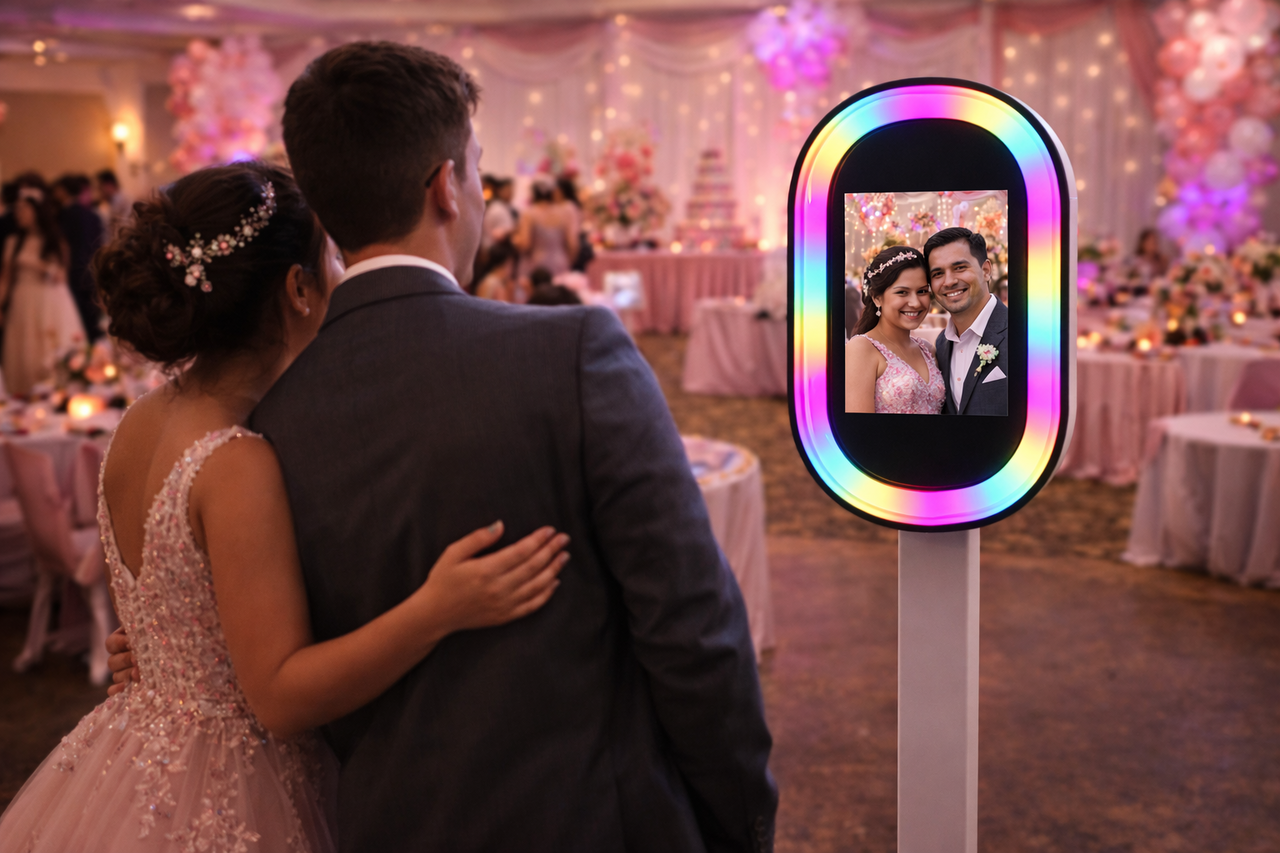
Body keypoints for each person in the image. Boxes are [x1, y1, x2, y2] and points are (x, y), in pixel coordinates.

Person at [113, 41, 776, 852]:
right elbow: (689, 622)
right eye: (479, 172)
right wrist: (738, 812)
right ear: (445, 187)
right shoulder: (575, 348)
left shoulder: (262, 423)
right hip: (595, 821)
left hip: (384, 824)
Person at [0, 161, 569, 852]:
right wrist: (439, 606)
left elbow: (172, 613)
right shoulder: (236, 461)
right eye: (330, 258)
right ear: (298, 288)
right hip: (232, 787)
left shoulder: (138, 421)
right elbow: (280, 696)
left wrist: (145, 655)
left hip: (135, 751)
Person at [0, 186, 86, 397]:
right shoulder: (13, 242)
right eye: (17, 209)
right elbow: (5, 280)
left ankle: (57, 393)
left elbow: (61, 276)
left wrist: (40, 265)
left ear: (37, 211)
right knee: (23, 351)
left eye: (24, 209)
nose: (19, 214)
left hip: (49, 300)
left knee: (49, 348)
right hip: (23, 301)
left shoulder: (54, 240)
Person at [845, 246, 944, 414]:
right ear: (877, 298)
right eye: (902, 292)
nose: (915, 302)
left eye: (922, 291)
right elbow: (859, 429)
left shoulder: (927, 349)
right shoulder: (861, 349)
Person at [924, 226, 1009, 416]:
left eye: (959, 268)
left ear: (986, 270)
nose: (949, 281)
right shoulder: (942, 344)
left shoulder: (1024, 335)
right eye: (938, 274)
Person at [54, 174, 107, 340]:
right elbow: (100, 244)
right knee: (93, 315)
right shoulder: (93, 215)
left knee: (76, 318)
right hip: (92, 268)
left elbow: (62, 246)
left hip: (71, 270)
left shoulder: (62, 216)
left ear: (63, 191)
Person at [512, 176, 579, 277]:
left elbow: (525, 244)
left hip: (537, 264)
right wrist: (568, 262)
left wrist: (514, 239)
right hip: (560, 262)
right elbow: (573, 244)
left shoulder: (529, 213)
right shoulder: (564, 213)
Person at [96, 168, 132, 240]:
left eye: (100, 187)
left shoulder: (121, 199)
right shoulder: (114, 199)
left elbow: (115, 228)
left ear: (109, 185)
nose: (99, 191)